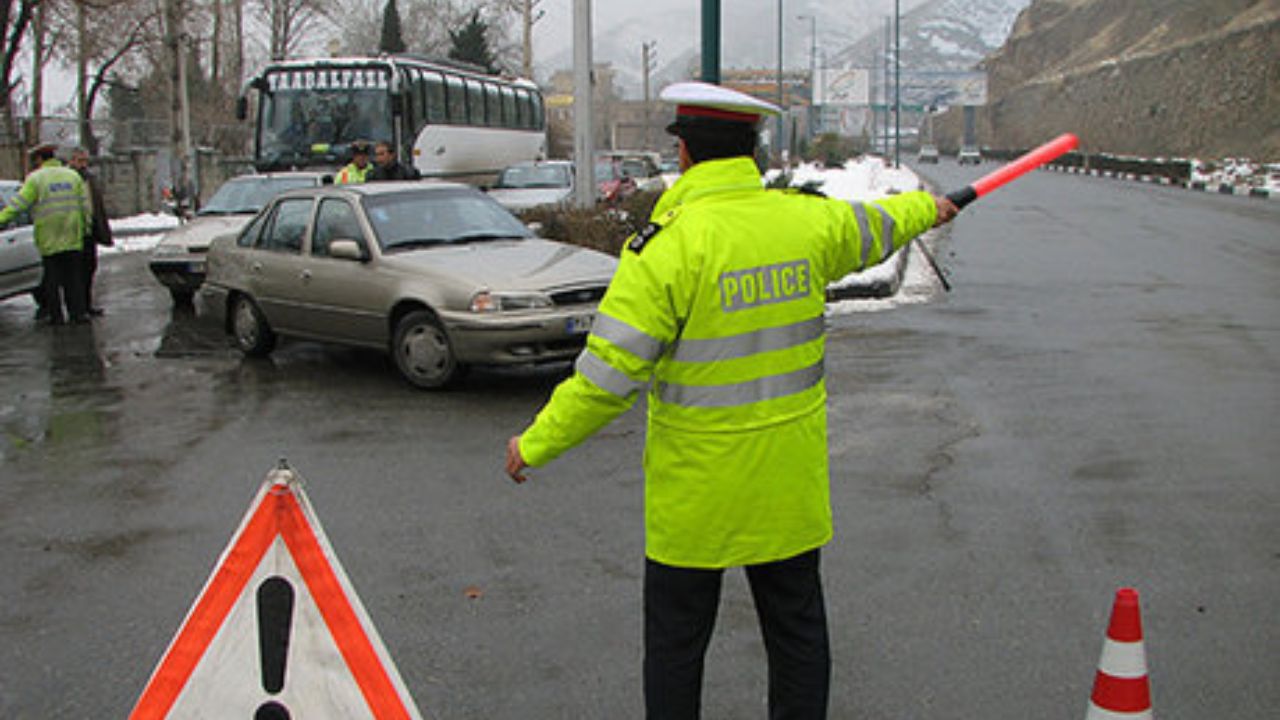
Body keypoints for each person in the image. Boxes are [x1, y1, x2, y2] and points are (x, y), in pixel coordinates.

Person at [504, 81, 957, 719]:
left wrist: (535, 443)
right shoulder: (808, 223)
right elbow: (880, 225)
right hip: (786, 489)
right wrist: (928, 208)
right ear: (751, 152)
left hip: (697, 501)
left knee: (676, 649)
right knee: (797, 636)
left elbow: (606, 379)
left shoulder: (668, 247)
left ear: (685, 154)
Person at [0, 143, 92, 325]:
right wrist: (85, 229)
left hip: (49, 236)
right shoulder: (73, 176)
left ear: (40, 159)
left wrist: (2, 218)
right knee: (73, 277)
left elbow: (17, 205)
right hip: (72, 235)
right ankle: (78, 313)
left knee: (52, 278)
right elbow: (85, 207)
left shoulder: (36, 179)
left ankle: (56, 315)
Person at [69, 148, 114, 315]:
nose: (83, 164)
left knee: (89, 268)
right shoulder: (69, 179)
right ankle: (78, 308)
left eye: (85, 161)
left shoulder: (90, 179)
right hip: (73, 233)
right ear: (71, 161)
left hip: (89, 232)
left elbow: (97, 206)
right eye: (79, 161)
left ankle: (87, 305)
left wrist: (101, 229)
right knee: (76, 273)